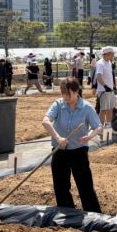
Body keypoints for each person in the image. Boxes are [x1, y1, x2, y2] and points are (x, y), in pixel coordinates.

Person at [42, 79, 103, 212]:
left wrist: (89, 136)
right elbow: (46, 121)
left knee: (85, 185)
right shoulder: (58, 104)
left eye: (68, 94)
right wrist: (58, 138)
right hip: (60, 151)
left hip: (78, 151)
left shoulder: (86, 107)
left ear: (76, 91)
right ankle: (66, 212)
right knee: (60, 186)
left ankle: (93, 214)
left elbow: (98, 126)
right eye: (63, 93)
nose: (65, 97)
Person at [95, 47, 116, 125]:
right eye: (112, 54)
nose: (113, 55)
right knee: (103, 109)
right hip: (104, 90)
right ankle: (100, 127)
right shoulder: (100, 63)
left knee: (110, 108)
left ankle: (108, 125)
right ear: (107, 54)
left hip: (110, 89)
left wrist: (113, 86)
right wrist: (105, 86)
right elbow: (98, 76)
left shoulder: (109, 62)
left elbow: (110, 75)